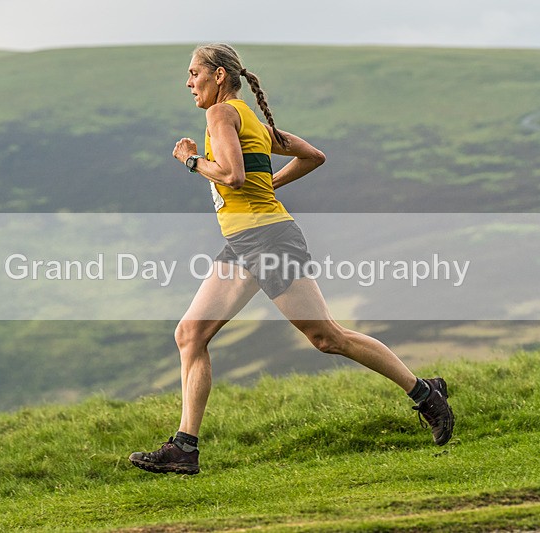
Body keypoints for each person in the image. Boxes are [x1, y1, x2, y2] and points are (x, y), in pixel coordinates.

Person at [129, 43, 454, 475]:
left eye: (194, 73)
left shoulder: (221, 114)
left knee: (327, 338)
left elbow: (232, 175)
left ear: (219, 76)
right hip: (245, 243)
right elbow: (312, 156)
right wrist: (270, 186)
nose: (189, 83)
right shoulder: (252, 120)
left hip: (268, 240)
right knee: (190, 334)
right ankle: (184, 448)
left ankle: (425, 394)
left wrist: (191, 160)